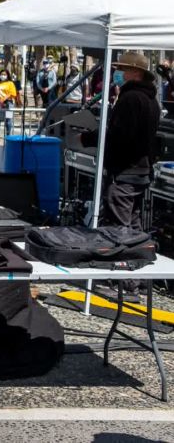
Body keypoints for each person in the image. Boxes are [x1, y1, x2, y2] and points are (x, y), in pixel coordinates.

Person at [80, 51, 161, 302]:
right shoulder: (150, 99)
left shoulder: (131, 99)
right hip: (140, 170)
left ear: (134, 72)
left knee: (119, 229)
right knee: (134, 228)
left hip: (125, 172)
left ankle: (124, 285)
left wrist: (91, 137)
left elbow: (120, 137)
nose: (119, 73)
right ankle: (133, 280)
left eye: (122, 69)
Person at [0, 69, 19, 137]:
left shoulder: (10, 83)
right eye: (1, 74)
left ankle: (8, 134)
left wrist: (4, 99)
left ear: (7, 75)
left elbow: (12, 93)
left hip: (9, 102)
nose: (3, 76)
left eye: (4, 74)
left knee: (8, 119)